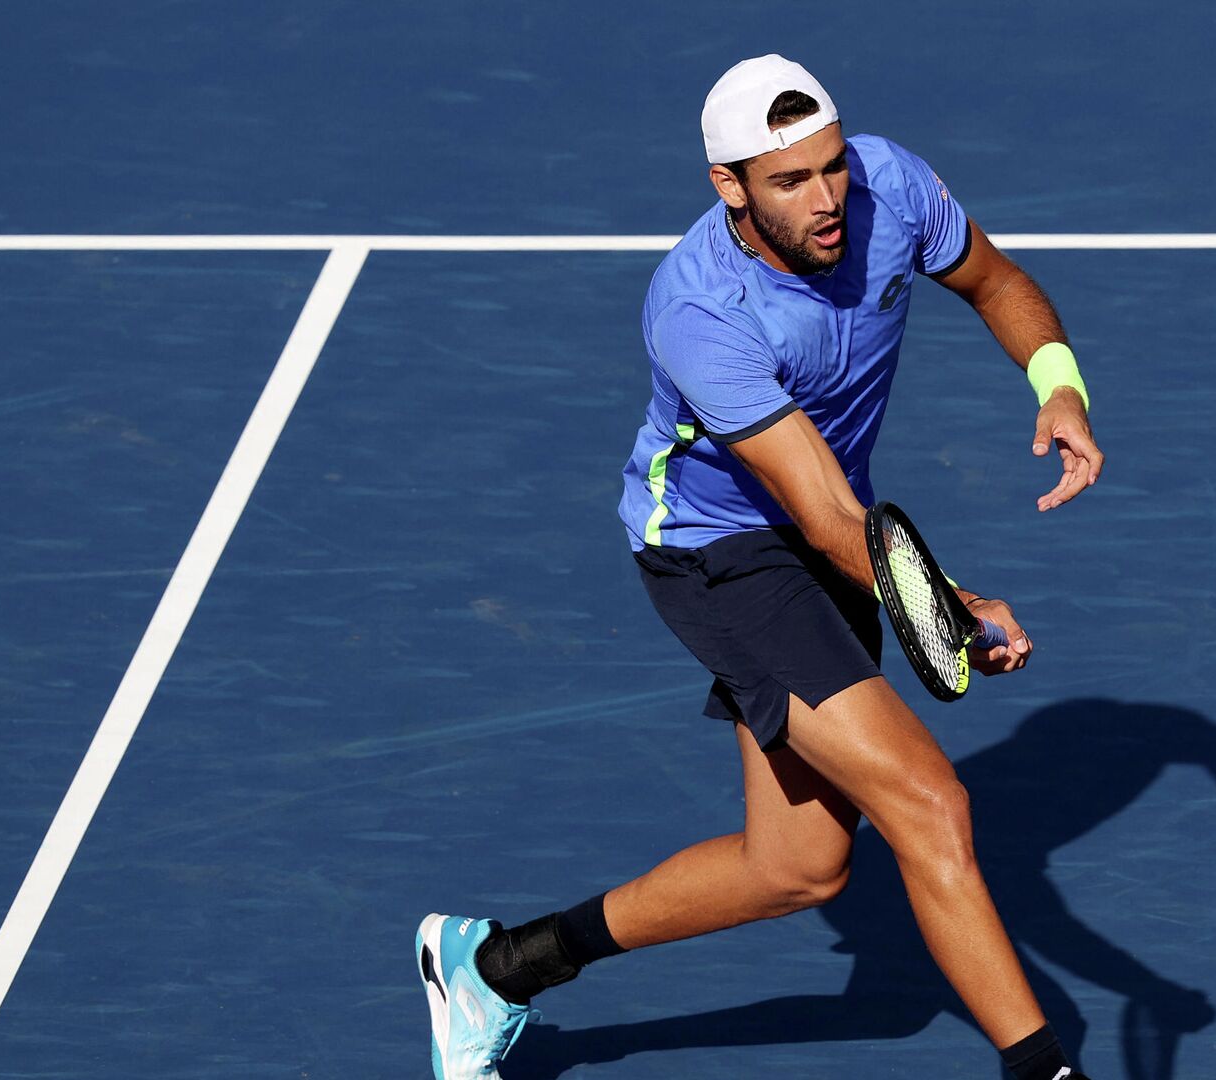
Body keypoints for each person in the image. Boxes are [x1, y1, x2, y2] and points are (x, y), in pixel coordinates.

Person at [419, 53, 1105, 1080]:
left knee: (799, 869)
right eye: (790, 181)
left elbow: (996, 280)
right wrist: (946, 605)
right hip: (721, 555)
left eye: (831, 167)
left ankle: (497, 965)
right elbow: (824, 513)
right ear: (729, 188)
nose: (828, 198)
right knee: (930, 804)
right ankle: (1044, 1069)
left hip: (833, 533)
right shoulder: (701, 311)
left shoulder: (891, 187)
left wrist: (1058, 386)